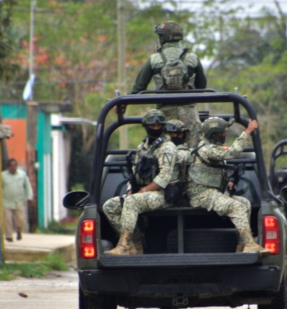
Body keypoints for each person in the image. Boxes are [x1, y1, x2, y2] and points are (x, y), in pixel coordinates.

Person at [186, 117, 269, 255]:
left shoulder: (211, 149)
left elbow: (208, 173)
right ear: (213, 134)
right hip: (201, 194)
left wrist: (226, 181)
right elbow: (231, 153)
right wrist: (247, 131)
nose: (225, 135)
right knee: (235, 206)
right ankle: (249, 244)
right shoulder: (208, 149)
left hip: (211, 191)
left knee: (244, 203)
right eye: (222, 133)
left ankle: (241, 246)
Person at [103, 109, 179, 256]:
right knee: (109, 206)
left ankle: (124, 246)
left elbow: (164, 178)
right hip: (142, 193)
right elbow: (134, 171)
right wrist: (130, 189)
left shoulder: (167, 147)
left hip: (163, 194)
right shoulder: (143, 147)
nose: (156, 128)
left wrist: (143, 191)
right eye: (152, 125)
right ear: (146, 126)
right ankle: (134, 243)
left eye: (159, 126)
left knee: (131, 202)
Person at [130, 21, 207, 147]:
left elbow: (139, 88)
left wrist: (123, 103)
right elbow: (202, 86)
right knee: (193, 151)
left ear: (162, 38)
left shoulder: (154, 59)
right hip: (189, 115)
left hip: (163, 117)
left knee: (163, 151)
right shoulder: (192, 58)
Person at [1, 158, 34, 243]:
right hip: (6, 201)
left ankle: (19, 231)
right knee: (7, 219)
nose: (13, 168)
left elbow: (27, 187)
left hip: (19, 201)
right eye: (11, 166)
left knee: (20, 219)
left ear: (17, 166)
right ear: (8, 167)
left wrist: (30, 197)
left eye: (15, 165)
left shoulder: (22, 175)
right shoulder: (2, 175)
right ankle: (8, 236)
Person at [166, 119, 192, 187]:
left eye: (171, 134)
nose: (168, 136)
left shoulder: (184, 153)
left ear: (181, 135)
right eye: (166, 134)